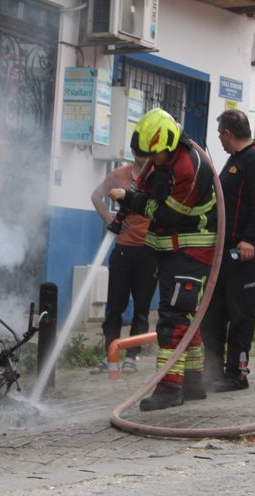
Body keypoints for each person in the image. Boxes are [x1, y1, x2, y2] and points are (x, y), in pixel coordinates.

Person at [109, 108, 217, 410]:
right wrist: (130, 198)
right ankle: (194, 382)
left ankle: (169, 388)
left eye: (151, 157)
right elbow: (147, 188)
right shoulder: (166, 159)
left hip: (190, 251)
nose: (148, 163)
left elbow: (167, 214)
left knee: (172, 319)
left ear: (166, 147)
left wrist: (131, 200)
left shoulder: (189, 169)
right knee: (187, 319)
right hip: (173, 251)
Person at [200, 109, 255, 392]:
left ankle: (237, 374)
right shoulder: (234, 161)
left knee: (241, 314)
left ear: (228, 133)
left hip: (245, 253)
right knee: (214, 313)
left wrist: (251, 240)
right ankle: (213, 372)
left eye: (220, 133)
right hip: (226, 252)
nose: (219, 139)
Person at [89, 152, 157, 375]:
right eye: (139, 153)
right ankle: (111, 354)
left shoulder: (159, 176)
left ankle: (132, 356)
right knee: (115, 306)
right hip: (123, 249)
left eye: (147, 153)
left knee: (141, 309)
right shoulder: (120, 175)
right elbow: (96, 196)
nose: (143, 157)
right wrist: (110, 222)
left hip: (149, 250)